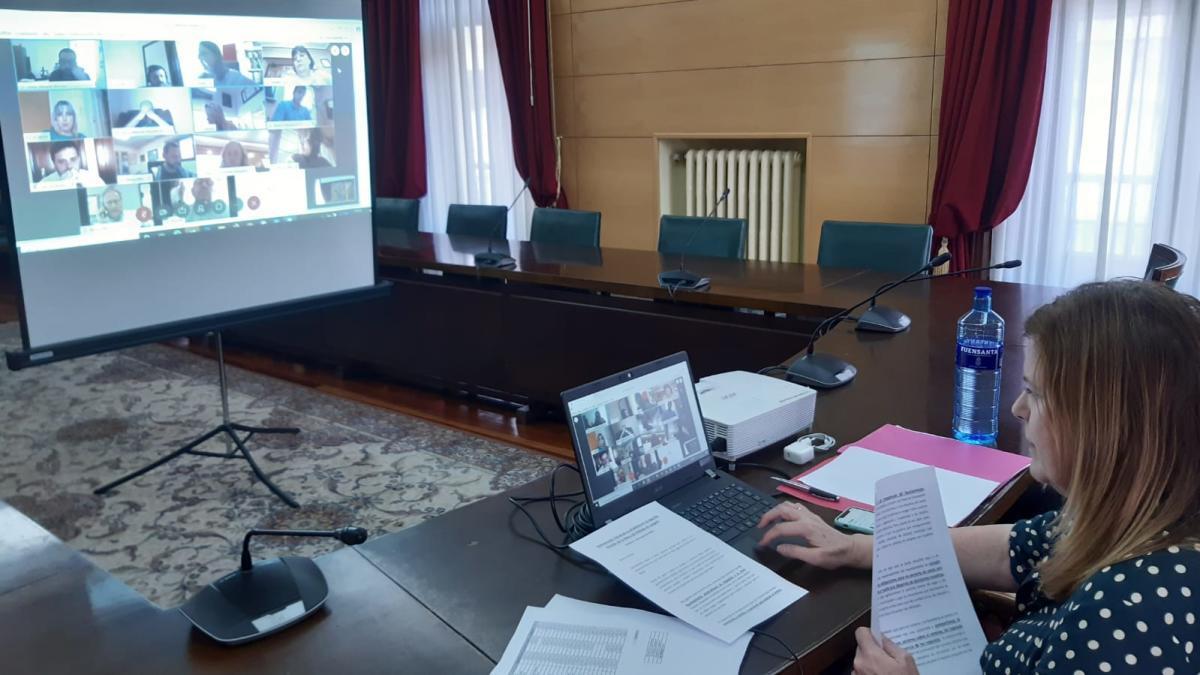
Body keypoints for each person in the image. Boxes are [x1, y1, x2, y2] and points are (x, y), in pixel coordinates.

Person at [757, 280, 1200, 674]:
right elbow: (1012, 549)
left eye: (1035, 393)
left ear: (1104, 425)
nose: (1018, 410)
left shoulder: (1126, 614)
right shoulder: (1134, 516)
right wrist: (854, 548)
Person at [36, 141, 105, 187]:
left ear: (79, 159)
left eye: (73, 159)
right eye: (62, 161)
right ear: (54, 163)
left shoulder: (93, 179)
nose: (69, 166)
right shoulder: (43, 185)